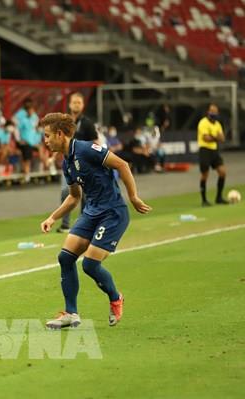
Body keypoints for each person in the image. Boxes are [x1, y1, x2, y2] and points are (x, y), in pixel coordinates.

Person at [39, 113, 151, 329]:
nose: (45, 140)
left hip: (113, 212)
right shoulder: (67, 162)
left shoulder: (86, 149)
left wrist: (133, 197)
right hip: (91, 212)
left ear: (60, 134)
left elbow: (122, 165)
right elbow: (74, 197)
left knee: (90, 265)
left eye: (47, 135)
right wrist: (53, 218)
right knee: (65, 258)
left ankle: (116, 297)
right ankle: (71, 314)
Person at [58, 92, 98, 233]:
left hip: (84, 163)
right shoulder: (64, 122)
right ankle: (65, 224)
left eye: (79, 102)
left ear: (83, 105)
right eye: (74, 102)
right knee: (65, 192)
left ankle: (84, 223)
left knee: (85, 195)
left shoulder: (87, 123)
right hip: (68, 162)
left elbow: (95, 142)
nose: (76, 105)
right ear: (69, 104)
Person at [197, 104, 228, 206]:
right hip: (204, 150)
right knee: (205, 175)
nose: (213, 113)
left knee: (222, 172)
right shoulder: (203, 123)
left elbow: (222, 138)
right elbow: (206, 138)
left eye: (215, 111)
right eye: (211, 111)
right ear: (208, 112)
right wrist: (216, 137)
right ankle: (204, 200)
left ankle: (218, 197)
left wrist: (214, 137)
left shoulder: (217, 124)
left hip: (214, 150)